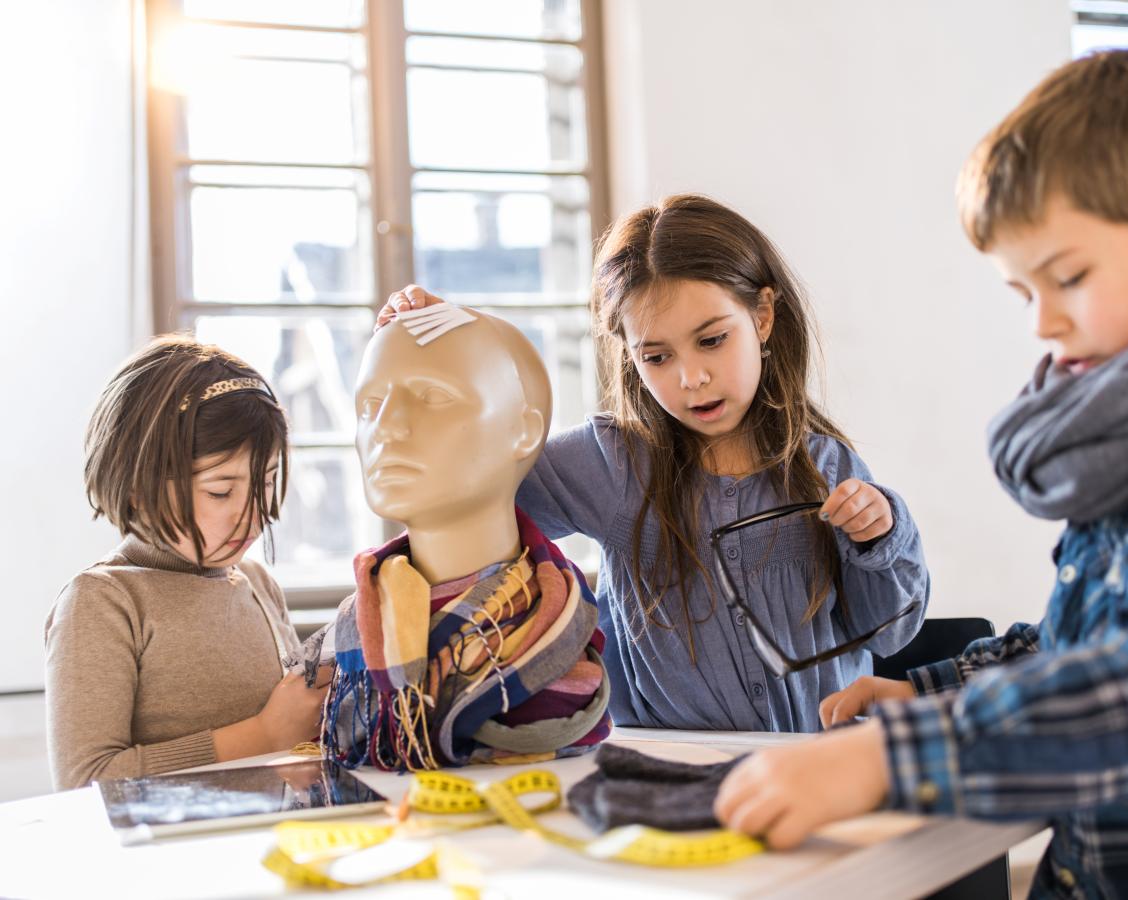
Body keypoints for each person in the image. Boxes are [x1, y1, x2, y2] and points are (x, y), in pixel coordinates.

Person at [714, 49, 1128, 898]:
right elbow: (1082, 645)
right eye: (1023, 293)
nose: (1045, 322)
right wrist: (929, 693)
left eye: (1071, 277)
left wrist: (889, 759)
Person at [379, 193, 930, 734]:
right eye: (657, 357)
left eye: (712, 340)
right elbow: (470, 500)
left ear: (762, 316)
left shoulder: (826, 466)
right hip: (669, 773)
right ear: (629, 352)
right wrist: (449, 346)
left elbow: (888, 634)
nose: (691, 378)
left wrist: (880, 534)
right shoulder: (611, 463)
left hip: (824, 767)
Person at [320, 306, 610, 771]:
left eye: (433, 396)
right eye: (370, 406)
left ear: (524, 430)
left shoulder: (562, 635)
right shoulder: (352, 640)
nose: (386, 427)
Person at [45, 336, 328, 790]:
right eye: (220, 490)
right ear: (139, 485)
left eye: (268, 482)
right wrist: (264, 734)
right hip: (171, 860)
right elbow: (84, 781)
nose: (254, 513)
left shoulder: (257, 581)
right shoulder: (102, 602)